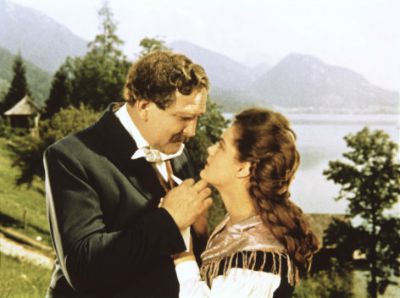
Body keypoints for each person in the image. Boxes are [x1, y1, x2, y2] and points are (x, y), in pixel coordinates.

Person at [43, 51, 213, 297]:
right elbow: (82, 269)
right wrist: (168, 220)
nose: (192, 131)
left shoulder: (179, 152)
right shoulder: (72, 157)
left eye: (198, 118)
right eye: (184, 118)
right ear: (144, 106)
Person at [172, 108, 320, 297]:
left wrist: (181, 249)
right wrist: (199, 235)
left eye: (221, 145)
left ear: (243, 168)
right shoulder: (237, 225)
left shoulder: (258, 259)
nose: (210, 149)